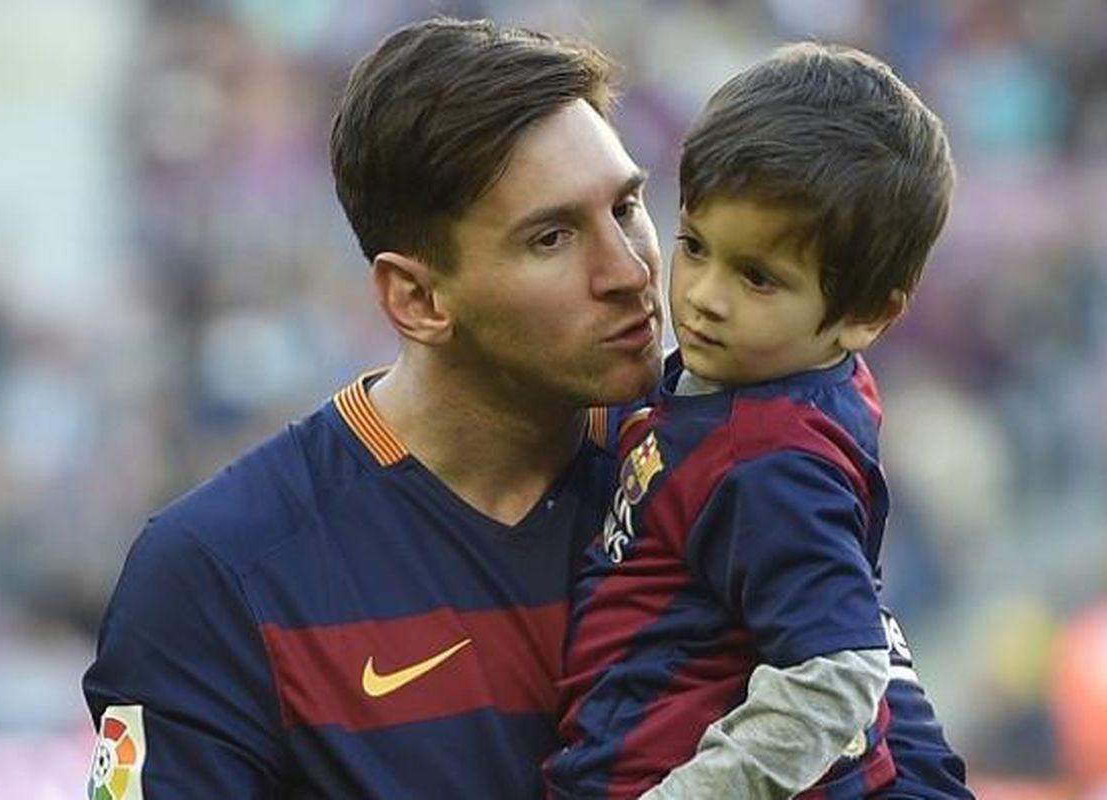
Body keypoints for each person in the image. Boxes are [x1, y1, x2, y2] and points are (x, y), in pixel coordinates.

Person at [82, 16, 663, 799]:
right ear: (417, 299)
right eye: (553, 238)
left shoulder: (718, 475)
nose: (629, 271)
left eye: (627, 207)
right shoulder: (221, 575)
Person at [546, 42, 971, 799]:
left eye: (758, 277)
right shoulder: (760, 385)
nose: (704, 295)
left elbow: (837, 674)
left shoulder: (771, 456)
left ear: (867, 315)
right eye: (696, 246)